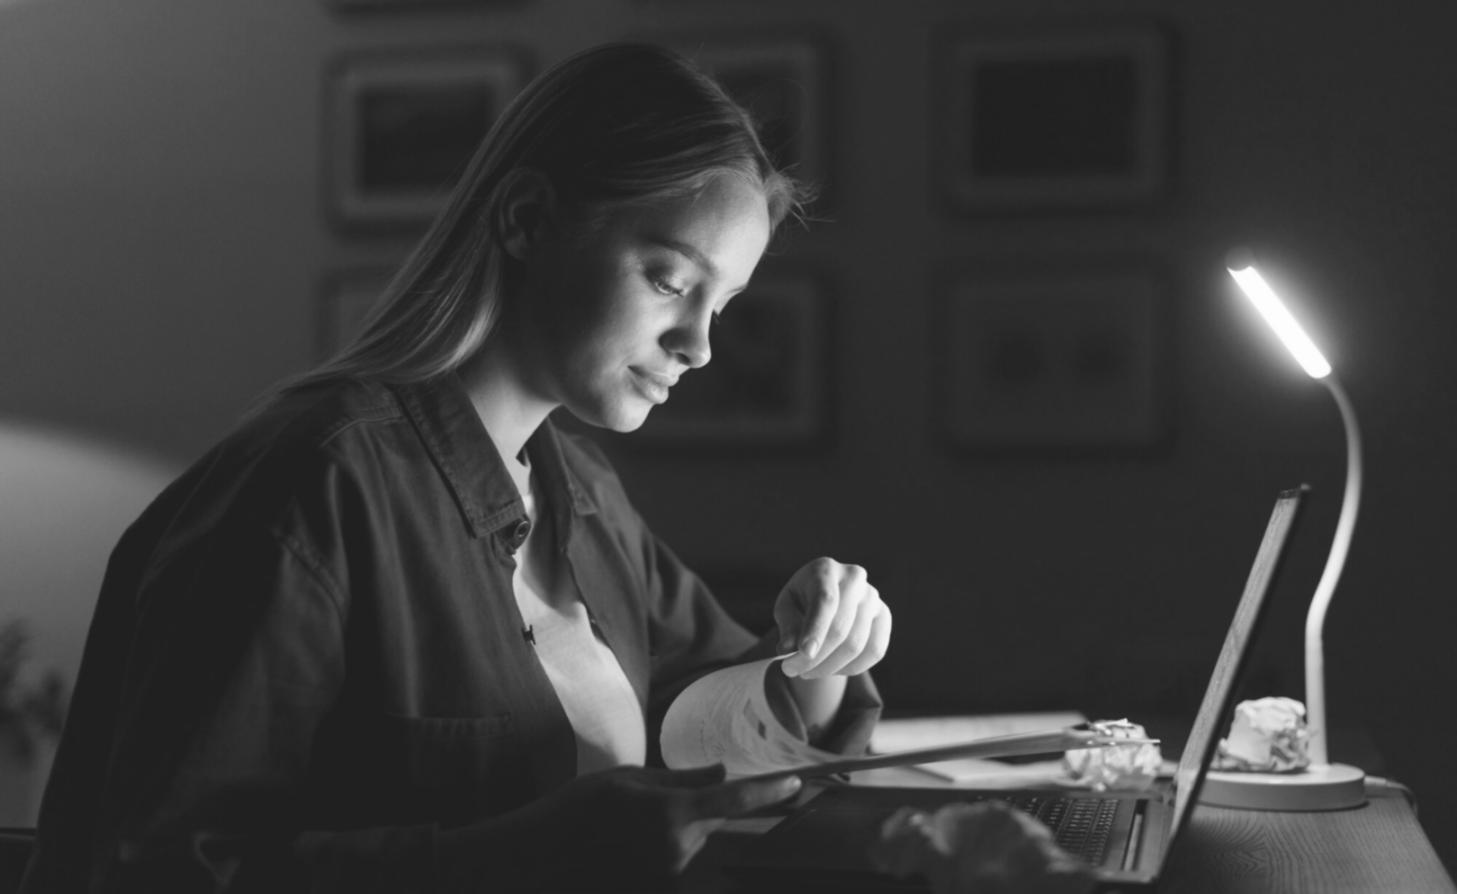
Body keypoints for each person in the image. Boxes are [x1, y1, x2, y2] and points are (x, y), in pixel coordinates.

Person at [20, 42, 891, 894]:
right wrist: (527, 856)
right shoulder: (308, 490)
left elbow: (729, 727)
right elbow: (161, 870)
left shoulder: (584, 496)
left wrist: (822, 651)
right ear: (525, 219)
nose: (699, 345)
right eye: (668, 281)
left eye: (723, 305)